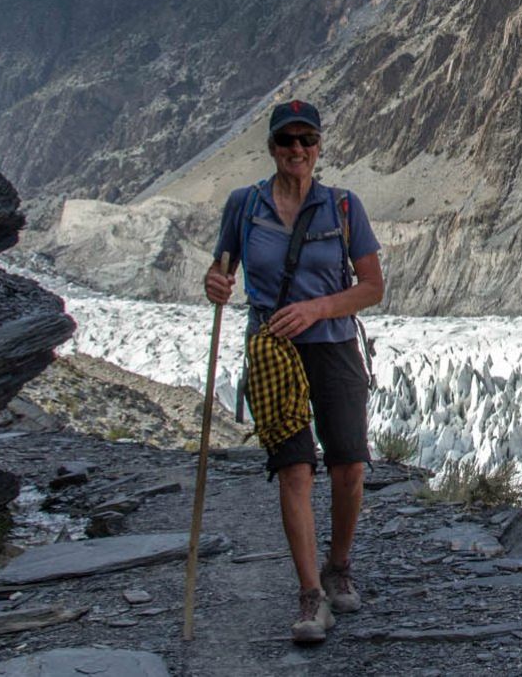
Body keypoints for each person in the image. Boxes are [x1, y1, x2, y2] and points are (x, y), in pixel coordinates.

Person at [204, 99, 384, 644]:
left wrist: (317, 308)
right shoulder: (244, 205)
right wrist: (214, 284)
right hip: (273, 348)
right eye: (288, 141)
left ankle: (339, 564)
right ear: (272, 148)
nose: (297, 150)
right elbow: (220, 271)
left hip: (331, 343)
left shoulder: (344, 208)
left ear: (319, 146)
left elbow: (372, 287)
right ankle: (310, 595)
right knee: (294, 468)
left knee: (349, 464)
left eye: (307, 140)